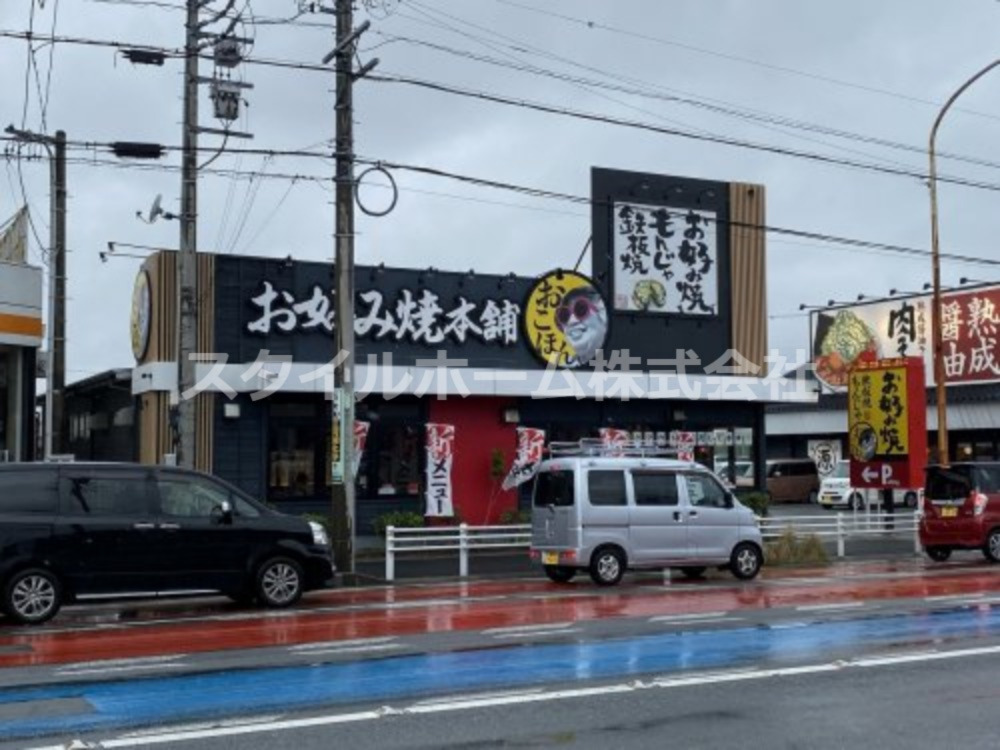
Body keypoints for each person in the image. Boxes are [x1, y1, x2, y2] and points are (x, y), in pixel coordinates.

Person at [555, 286, 608, 366]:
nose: (571, 321)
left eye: (581, 309)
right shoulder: (561, 373)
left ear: (603, 313)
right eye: (564, 315)